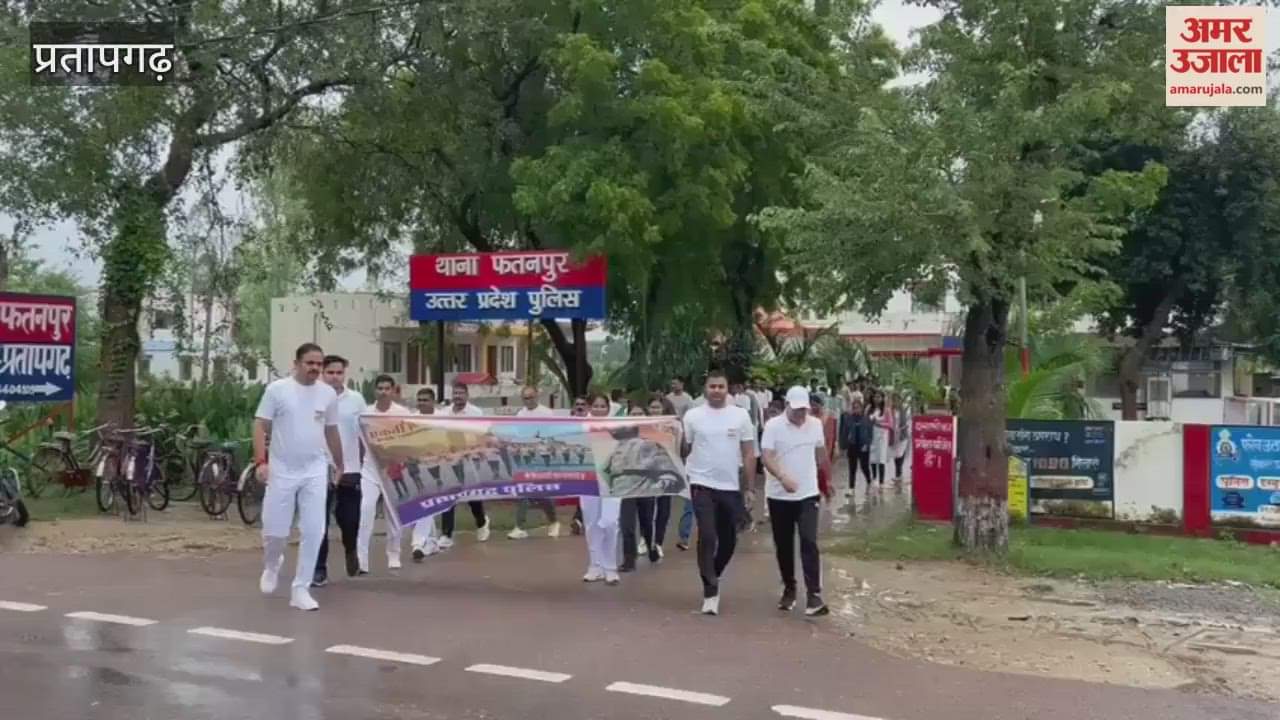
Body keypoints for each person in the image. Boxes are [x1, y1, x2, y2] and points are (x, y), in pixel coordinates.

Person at [254, 343, 344, 612]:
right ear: (296, 364)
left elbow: (331, 431)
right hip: (282, 469)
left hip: (314, 469)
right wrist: (261, 461)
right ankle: (272, 564)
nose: (315, 368)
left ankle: (300, 588)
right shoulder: (277, 390)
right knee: (275, 532)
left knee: (315, 530)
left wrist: (340, 464)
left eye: (319, 364)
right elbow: (260, 425)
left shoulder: (327, 394)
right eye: (310, 363)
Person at [683, 369, 756, 615]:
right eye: (712, 386)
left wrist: (750, 487)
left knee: (729, 539)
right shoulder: (693, 416)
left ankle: (713, 572)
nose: (716, 391)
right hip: (701, 482)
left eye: (720, 387)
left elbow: (748, 452)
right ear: (705, 389)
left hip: (730, 486)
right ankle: (710, 591)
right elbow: (684, 448)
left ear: (727, 389)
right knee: (707, 535)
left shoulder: (740, 415)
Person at [761, 386, 830, 616]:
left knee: (809, 540)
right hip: (779, 495)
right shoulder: (773, 426)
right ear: (787, 405)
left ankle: (814, 595)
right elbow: (767, 457)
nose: (801, 414)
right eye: (797, 409)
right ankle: (789, 587)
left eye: (804, 409)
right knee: (784, 544)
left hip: (808, 493)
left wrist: (825, 481)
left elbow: (820, 454)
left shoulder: (815, 425)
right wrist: (782, 477)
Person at [313, 355, 368, 586]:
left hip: (351, 468)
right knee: (319, 522)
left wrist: (364, 463)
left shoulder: (356, 400)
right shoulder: (312, 398)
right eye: (330, 373)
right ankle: (319, 569)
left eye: (339, 373)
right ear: (323, 374)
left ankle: (351, 548)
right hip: (319, 468)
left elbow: (365, 433)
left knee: (350, 519)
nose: (335, 377)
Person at [356, 374, 406, 574]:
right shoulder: (366, 413)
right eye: (380, 388)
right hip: (370, 470)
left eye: (387, 388)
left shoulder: (402, 413)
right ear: (375, 390)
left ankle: (394, 553)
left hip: (392, 470)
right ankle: (361, 559)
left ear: (393, 391)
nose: (383, 392)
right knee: (365, 511)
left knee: (393, 515)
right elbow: (360, 440)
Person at [437, 382, 490, 547]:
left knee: (472, 495)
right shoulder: (444, 413)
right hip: (450, 459)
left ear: (467, 395)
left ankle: (481, 523)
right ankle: (446, 534)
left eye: (461, 393)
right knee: (449, 495)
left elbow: (482, 434)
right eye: (455, 393)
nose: (457, 396)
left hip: (469, 459)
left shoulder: (476, 413)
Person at [580, 393, 621, 585]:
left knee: (611, 522)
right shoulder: (581, 427)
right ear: (589, 407)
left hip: (612, 481)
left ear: (608, 408)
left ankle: (610, 567)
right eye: (595, 406)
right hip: (588, 480)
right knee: (592, 523)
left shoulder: (616, 427)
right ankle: (595, 566)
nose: (599, 409)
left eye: (602, 406)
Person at [510, 386, 561, 540]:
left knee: (542, 492)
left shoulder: (547, 413)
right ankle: (519, 526)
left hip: (542, 457)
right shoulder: (520, 414)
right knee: (524, 491)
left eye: (531, 397)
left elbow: (553, 435)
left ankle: (553, 521)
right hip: (526, 457)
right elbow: (516, 435)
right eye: (525, 398)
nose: (529, 401)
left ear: (537, 396)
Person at [619, 404, 658, 572]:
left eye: (640, 413)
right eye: (633, 414)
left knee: (646, 522)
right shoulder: (621, 436)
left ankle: (651, 546)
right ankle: (629, 559)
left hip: (646, 485)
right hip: (627, 486)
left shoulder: (653, 435)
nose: (636, 416)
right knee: (627, 525)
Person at [410, 388, 443, 561]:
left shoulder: (443, 418)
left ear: (433, 401)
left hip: (439, 466)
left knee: (428, 502)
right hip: (419, 466)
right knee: (424, 503)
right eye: (419, 400)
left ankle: (419, 542)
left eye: (425, 400)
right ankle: (429, 542)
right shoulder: (411, 419)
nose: (421, 403)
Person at [839, 398, 873, 491]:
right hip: (852, 445)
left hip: (863, 446)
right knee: (852, 468)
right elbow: (844, 433)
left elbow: (870, 434)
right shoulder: (848, 418)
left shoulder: (866, 419)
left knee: (864, 466)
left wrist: (867, 444)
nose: (856, 410)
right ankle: (851, 488)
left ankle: (869, 481)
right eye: (854, 408)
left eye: (858, 407)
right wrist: (843, 446)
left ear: (861, 408)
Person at [809, 393, 838, 501]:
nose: (813, 407)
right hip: (812, 449)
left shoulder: (829, 416)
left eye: (815, 404)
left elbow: (833, 434)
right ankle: (818, 493)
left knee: (824, 471)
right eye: (811, 404)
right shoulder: (808, 417)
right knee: (814, 472)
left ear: (820, 404)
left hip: (826, 448)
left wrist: (835, 446)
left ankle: (826, 491)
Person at [868, 391, 892, 486]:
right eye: (875, 397)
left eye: (879, 397)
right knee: (872, 457)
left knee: (881, 458)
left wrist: (880, 424)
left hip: (882, 436)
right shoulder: (869, 409)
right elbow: (865, 420)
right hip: (872, 435)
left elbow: (890, 424)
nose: (876, 399)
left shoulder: (886, 410)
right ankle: (874, 478)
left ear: (882, 398)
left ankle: (881, 482)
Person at [892, 392, 911, 481]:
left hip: (903, 434)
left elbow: (907, 423)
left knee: (900, 454)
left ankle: (898, 473)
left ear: (900, 400)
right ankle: (898, 473)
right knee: (896, 455)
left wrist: (901, 428)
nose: (896, 401)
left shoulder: (904, 410)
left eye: (897, 399)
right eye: (894, 400)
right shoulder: (891, 410)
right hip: (894, 435)